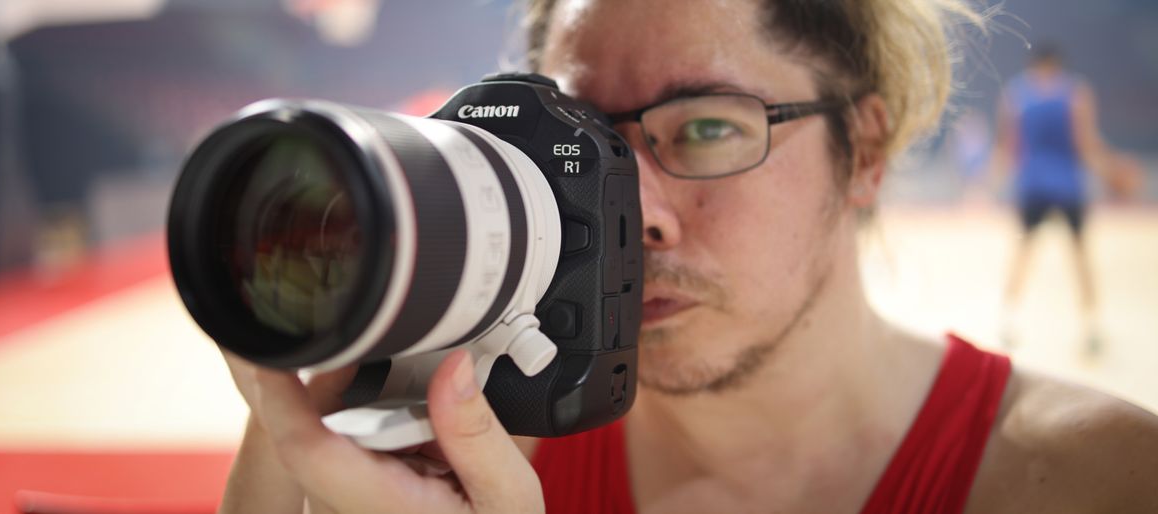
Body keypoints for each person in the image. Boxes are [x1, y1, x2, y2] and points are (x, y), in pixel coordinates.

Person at [218, 1, 1158, 513]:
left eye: (707, 126)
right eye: (588, 144)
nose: (641, 213)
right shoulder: (458, 467)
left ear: (864, 150)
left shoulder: (1094, 480)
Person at [991, 44, 1118, 353]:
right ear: (1058, 65)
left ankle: (1008, 320)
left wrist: (987, 182)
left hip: (1032, 184)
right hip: (1067, 185)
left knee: (1023, 250)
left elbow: (1009, 146)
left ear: (1033, 65)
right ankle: (1092, 326)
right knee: (1079, 254)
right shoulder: (1075, 92)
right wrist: (1111, 172)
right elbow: (1085, 142)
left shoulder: (1016, 94)